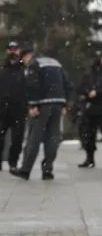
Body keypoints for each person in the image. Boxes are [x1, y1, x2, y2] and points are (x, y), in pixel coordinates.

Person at [12, 44, 71, 181]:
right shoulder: (56, 63)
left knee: (34, 138)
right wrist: (65, 103)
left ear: (27, 55)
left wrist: (33, 104)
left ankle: (25, 169)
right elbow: (67, 84)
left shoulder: (33, 64)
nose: (23, 62)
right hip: (58, 104)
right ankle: (48, 170)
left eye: (23, 59)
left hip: (42, 105)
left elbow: (32, 85)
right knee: (53, 138)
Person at [0, 41, 28, 171]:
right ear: (7, 51)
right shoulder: (2, 69)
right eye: (11, 49)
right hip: (2, 109)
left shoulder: (24, 70)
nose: (13, 52)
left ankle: (13, 163)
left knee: (17, 139)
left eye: (15, 49)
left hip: (19, 109)